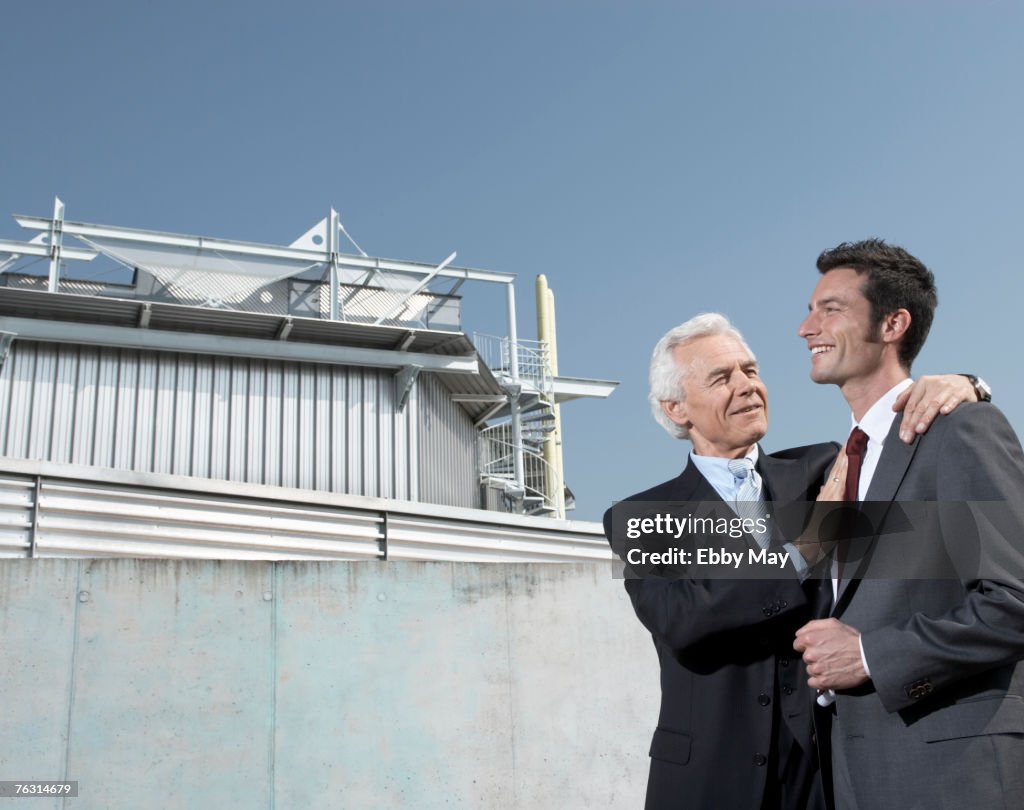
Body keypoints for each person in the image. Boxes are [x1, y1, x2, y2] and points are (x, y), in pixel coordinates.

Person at [603, 313, 977, 810]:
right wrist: (804, 550)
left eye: (750, 370)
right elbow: (685, 619)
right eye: (722, 377)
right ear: (677, 408)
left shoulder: (823, 467)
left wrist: (966, 386)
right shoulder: (643, 516)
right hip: (708, 780)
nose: (748, 386)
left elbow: (904, 451)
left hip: (822, 775)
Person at [793, 239, 1024, 809]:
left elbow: (1013, 601)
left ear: (894, 323)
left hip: (953, 775)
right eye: (810, 310)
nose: (806, 328)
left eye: (831, 309)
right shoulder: (833, 467)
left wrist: (872, 655)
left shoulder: (960, 429)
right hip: (854, 775)